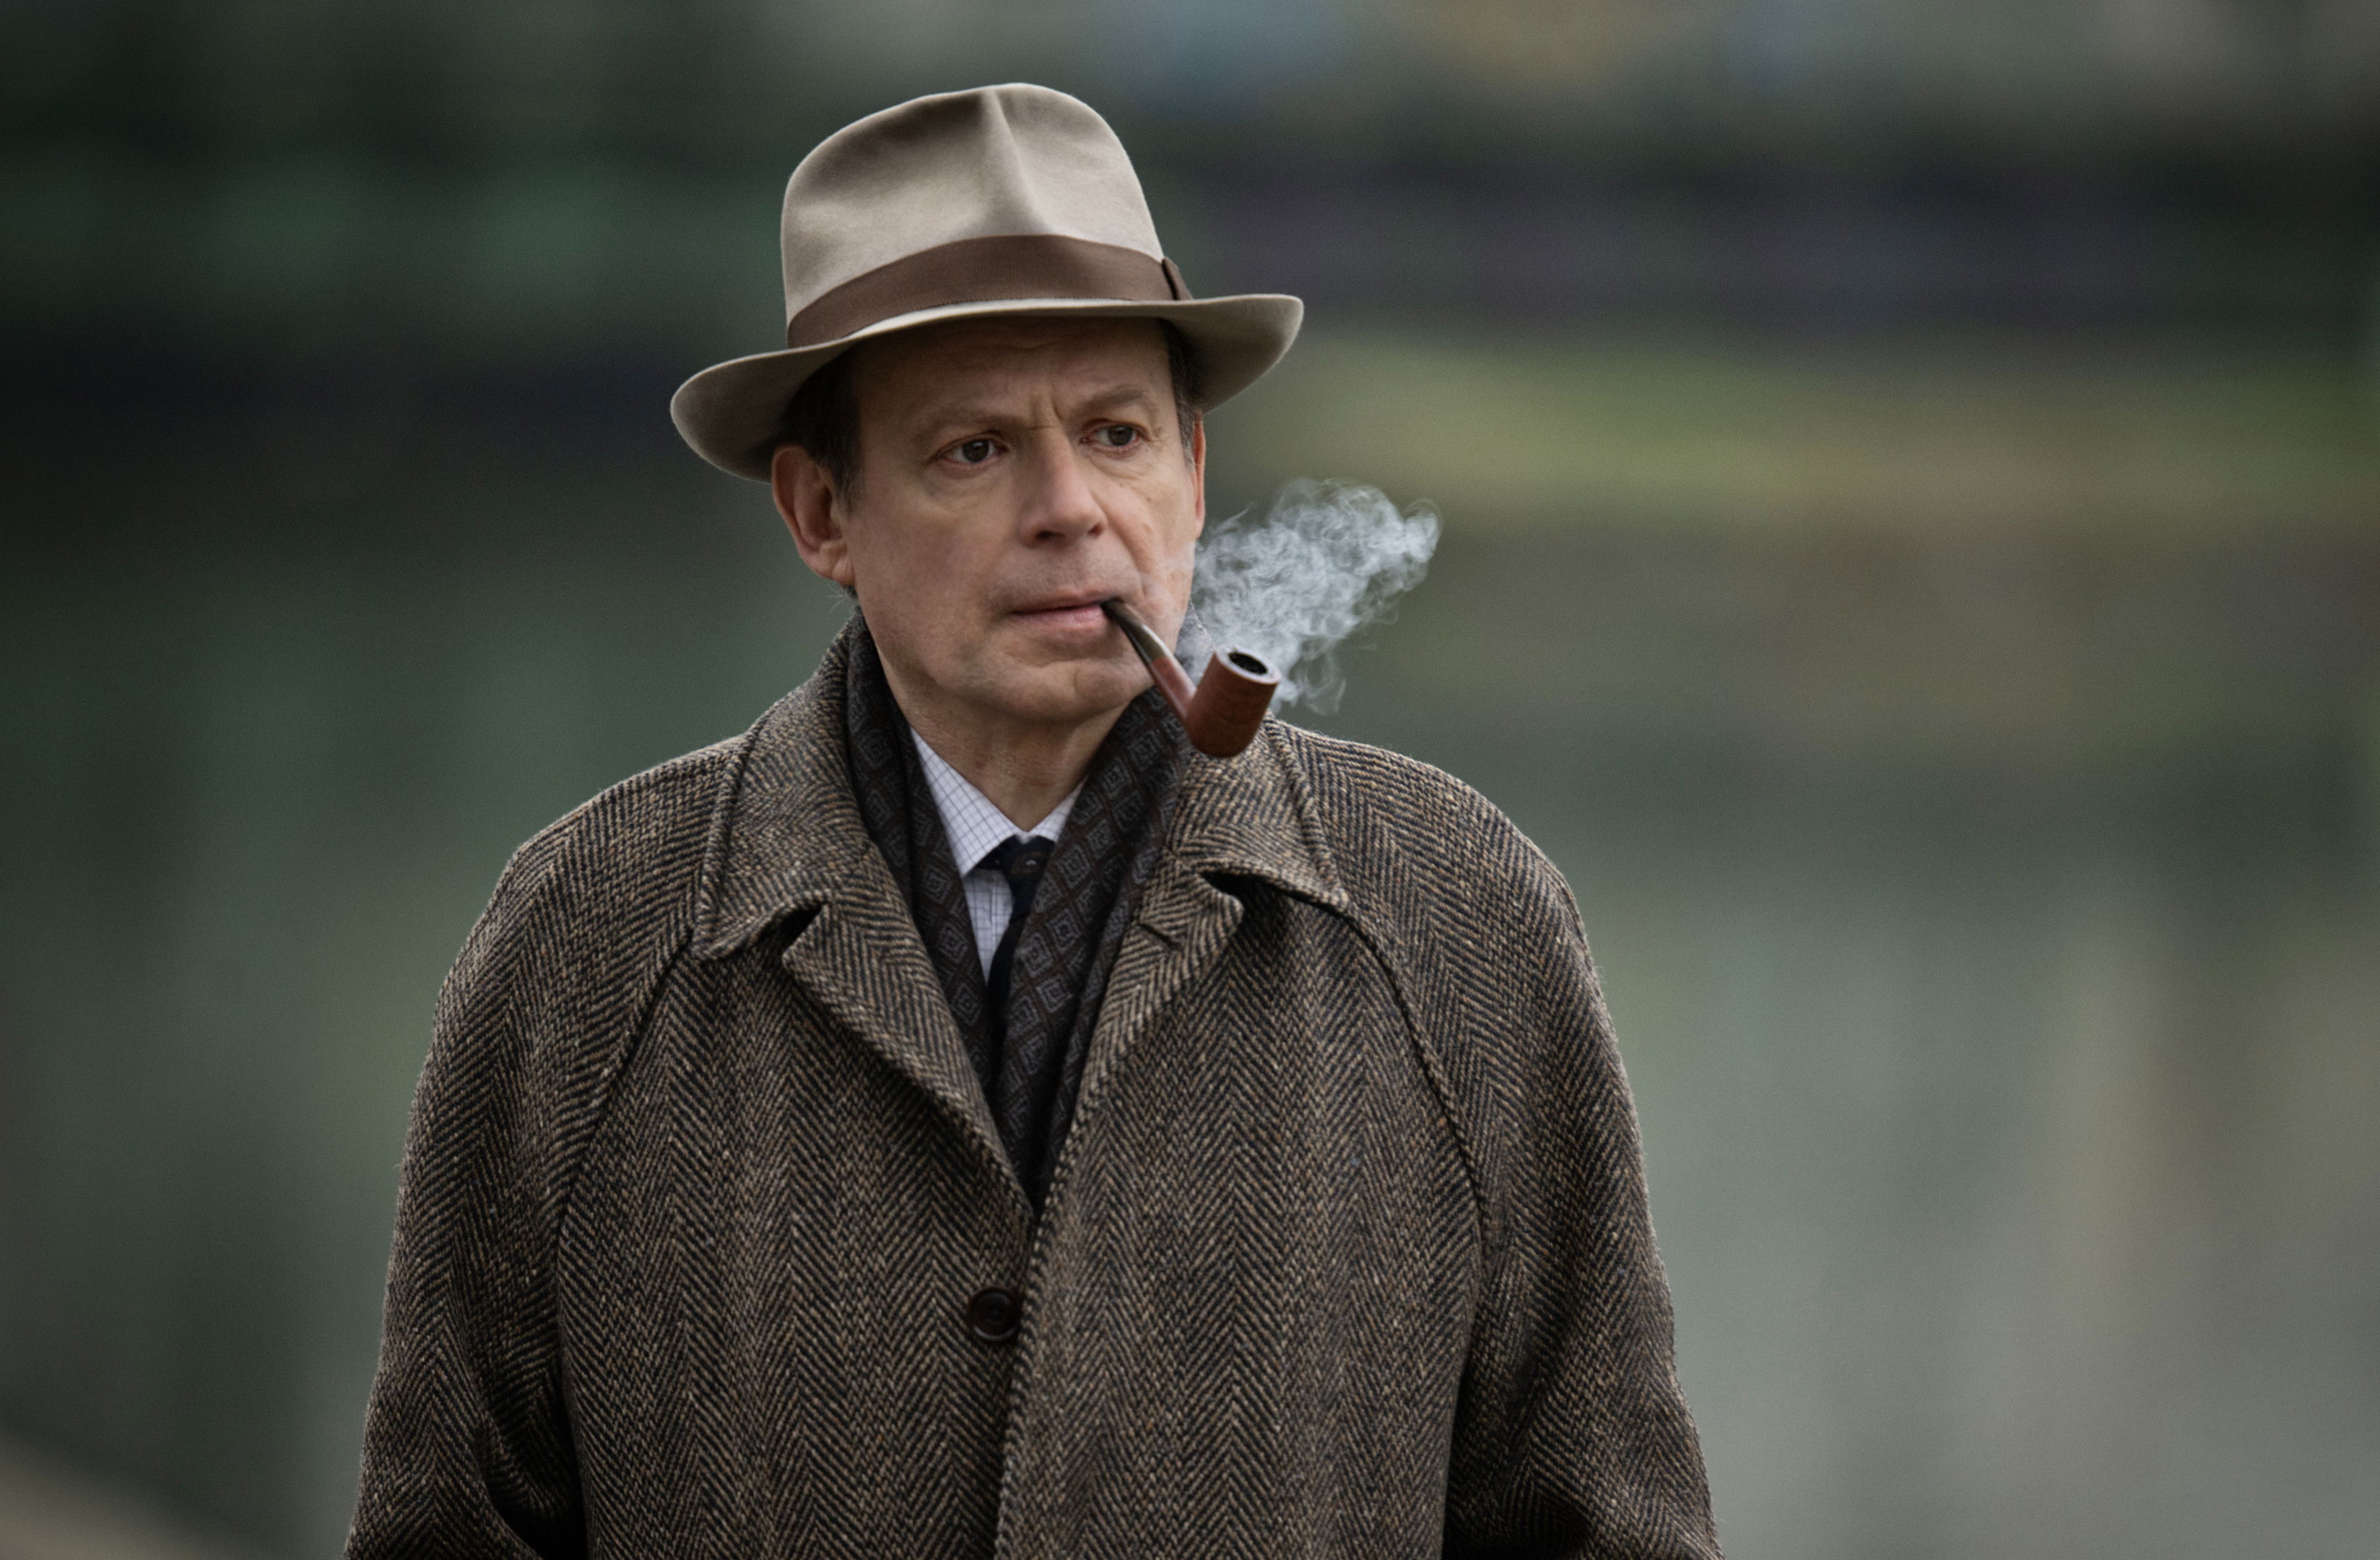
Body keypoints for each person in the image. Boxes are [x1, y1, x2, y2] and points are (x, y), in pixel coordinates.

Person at [347, 83, 1717, 1559]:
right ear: (820, 514)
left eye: (1118, 434)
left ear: (1193, 473)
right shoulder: (591, 935)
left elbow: (1606, 1526)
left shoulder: (1461, 917)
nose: (1072, 508)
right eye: (975, 451)